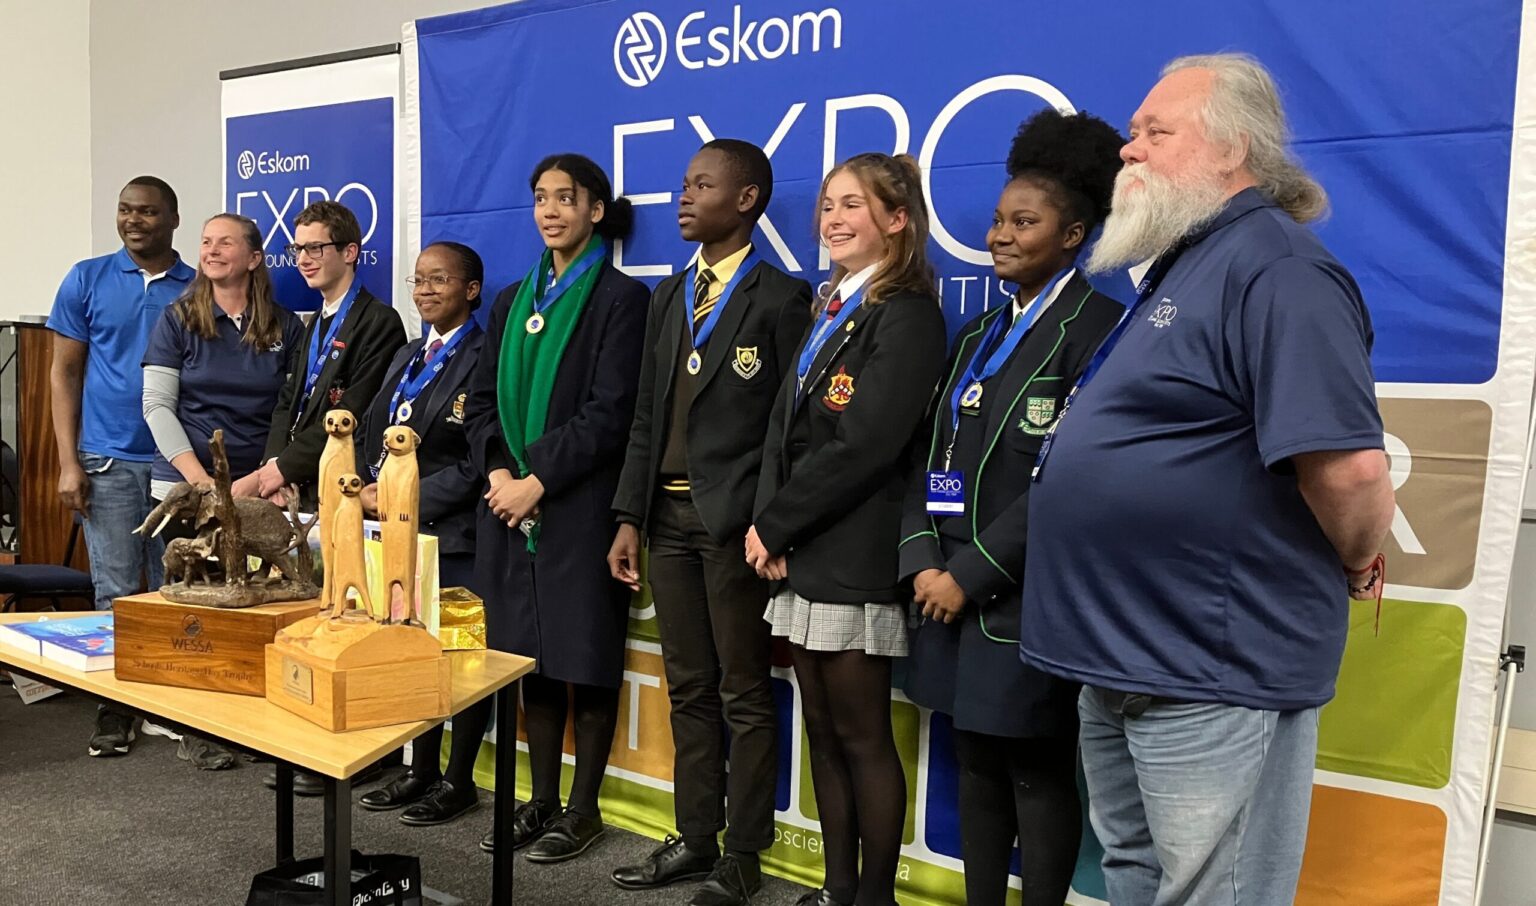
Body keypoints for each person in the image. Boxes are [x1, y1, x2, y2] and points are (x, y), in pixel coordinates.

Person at [1018, 53, 1395, 905]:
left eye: (1156, 131)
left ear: (1233, 150)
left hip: (1208, 668)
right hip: (1120, 656)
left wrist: (1357, 554)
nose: (1129, 150)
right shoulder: (1189, 266)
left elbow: (1350, 469)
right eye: (1132, 133)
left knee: (1212, 892)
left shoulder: (1279, 269)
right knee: (1136, 879)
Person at [897, 110, 1125, 905]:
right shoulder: (978, 333)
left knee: (1034, 770)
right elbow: (935, 459)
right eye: (998, 219)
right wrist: (924, 557)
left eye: (1023, 222)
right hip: (945, 598)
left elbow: (1067, 479)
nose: (999, 234)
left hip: (1025, 603)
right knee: (975, 764)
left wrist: (970, 573)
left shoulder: (1099, 330)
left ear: (1073, 236)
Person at [607, 140, 812, 906]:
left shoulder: (780, 298)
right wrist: (629, 514)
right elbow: (644, 417)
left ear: (748, 198)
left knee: (743, 692)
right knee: (686, 686)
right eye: (684, 182)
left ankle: (744, 853)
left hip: (733, 525)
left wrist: (766, 523)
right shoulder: (669, 295)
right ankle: (695, 838)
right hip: (666, 516)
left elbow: (788, 432)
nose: (684, 196)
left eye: (702, 183)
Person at [746, 153, 946, 906]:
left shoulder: (908, 315)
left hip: (854, 551)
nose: (831, 218)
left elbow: (866, 443)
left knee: (862, 738)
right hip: (799, 552)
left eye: (852, 205)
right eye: (827, 204)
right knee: (821, 735)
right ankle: (835, 889)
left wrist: (777, 522)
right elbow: (783, 428)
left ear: (897, 221)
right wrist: (770, 527)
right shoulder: (831, 304)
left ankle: (874, 897)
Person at [463, 153, 647, 863]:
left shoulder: (621, 299)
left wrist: (537, 479)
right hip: (505, 506)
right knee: (527, 663)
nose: (550, 211)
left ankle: (583, 808)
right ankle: (539, 800)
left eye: (566, 198)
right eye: (540, 198)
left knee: (585, 660)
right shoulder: (511, 301)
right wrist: (502, 470)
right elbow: (479, 406)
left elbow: (612, 413)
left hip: (576, 509)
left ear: (595, 210)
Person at [140, 212, 304, 771]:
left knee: (253, 599)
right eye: (206, 242)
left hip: (260, 489)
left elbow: (294, 410)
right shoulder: (178, 318)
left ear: (254, 258)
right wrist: (202, 484)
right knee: (202, 604)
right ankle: (198, 726)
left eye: (225, 243)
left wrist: (263, 482)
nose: (211, 251)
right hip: (190, 485)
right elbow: (157, 407)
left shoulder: (286, 325)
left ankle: (255, 725)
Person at [49, 175, 195, 757]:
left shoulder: (199, 285)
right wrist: (67, 461)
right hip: (104, 459)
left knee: (175, 587)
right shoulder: (87, 278)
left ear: (173, 220)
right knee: (112, 589)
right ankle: (118, 706)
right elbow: (63, 374)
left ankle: (175, 703)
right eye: (126, 210)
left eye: (148, 212)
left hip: (175, 463)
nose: (134, 221)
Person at [354, 241, 488, 826]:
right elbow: (373, 429)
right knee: (412, 653)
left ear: (471, 289)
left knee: (457, 659)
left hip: (453, 533)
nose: (425, 290)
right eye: (418, 280)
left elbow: (479, 458)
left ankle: (459, 781)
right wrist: (362, 488)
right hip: (395, 533)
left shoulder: (486, 354)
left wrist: (404, 498)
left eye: (439, 280)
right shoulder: (408, 353)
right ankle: (420, 769)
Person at [243, 200, 406, 507]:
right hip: (293, 485)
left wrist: (283, 468)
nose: (303, 259)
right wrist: (275, 463)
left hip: (338, 485)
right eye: (298, 249)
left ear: (350, 252)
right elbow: (288, 399)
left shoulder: (379, 321)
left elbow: (352, 412)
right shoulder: (315, 321)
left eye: (315, 248)